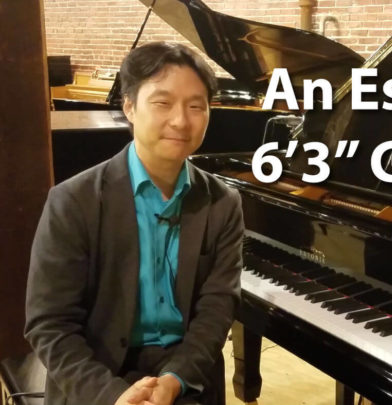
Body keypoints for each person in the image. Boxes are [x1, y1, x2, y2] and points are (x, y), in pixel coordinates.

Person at [24, 42, 243, 405]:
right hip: (97, 377)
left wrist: (175, 379)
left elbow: (217, 311)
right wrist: (111, 395)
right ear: (129, 106)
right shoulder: (72, 201)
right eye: (162, 103)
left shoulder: (223, 202)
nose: (180, 120)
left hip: (185, 376)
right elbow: (50, 325)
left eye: (196, 106)